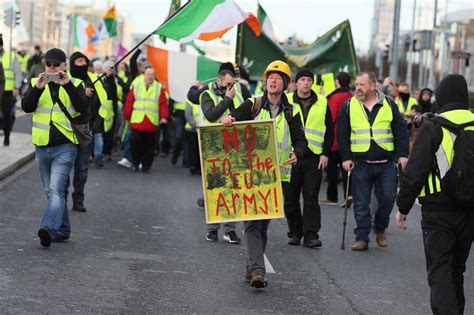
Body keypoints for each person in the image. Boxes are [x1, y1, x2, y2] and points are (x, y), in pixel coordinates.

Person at [221, 60, 307, 288]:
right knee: (251, 224)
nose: (273, 80)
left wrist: (298, 153)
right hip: (251, 175)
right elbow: (235, 117)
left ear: (286, 84)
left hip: (276, 176)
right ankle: (259, 271)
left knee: (263, 226)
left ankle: (251, 269)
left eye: (278, 77)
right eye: (270, 76)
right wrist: (230, 119)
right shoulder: (254, 104)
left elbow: (300, 140)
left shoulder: (292, 111)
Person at [396, 74, 474, 315]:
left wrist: (403, 208)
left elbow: (416, 171)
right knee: (456, 269)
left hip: (438, 210)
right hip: (470, 209)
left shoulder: (434, 126)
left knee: (440, 270)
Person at [21, 48, 88, 247]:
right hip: (41, 145)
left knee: (56, 189)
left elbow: (83, 109)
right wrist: (38, 88)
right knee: (52, 193)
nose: (52, 68)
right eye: (48, 64)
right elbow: (26, 107)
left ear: (64, 66)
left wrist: (67, 85)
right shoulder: (36, 83)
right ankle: (64, 229)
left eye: (56, 64)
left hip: (65, 146)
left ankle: (48, 228)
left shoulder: (76, 83)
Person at [337, 71, 409, 251]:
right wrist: (345, 158)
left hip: (386, 163)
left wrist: (403, 155)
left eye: (362, 84)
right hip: (360, 163)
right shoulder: (349, 106)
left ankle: (380, 228)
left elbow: (400, 131)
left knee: (387, 199)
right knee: (361, 202)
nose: (357, 88)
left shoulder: (388, 104)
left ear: (373, 85)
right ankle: (362, 237)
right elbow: (342, 134)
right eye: (356, 84)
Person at [284, 69, 334, 248]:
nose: (305, 83)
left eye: (308, 80)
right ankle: (295, 232)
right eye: (302, 79)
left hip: (314, 156)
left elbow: (329, 129)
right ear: (295, 83)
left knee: (311, 197)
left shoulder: (322, 101)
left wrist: (325, 153)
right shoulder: (286, 100)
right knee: (290, 197)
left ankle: (311, 235)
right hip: (291, 156)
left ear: (312, 83)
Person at [200, 68, 244, 244]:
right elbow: (211, 116)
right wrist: (227, 100)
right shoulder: (207, 95)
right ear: (219, 82)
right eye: (227, 84)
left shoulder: (237, 96)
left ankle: (230, 230)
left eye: (232, 84)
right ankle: (212, 230)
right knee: (215, 189)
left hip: (234, 147)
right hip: (213, 148)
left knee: (232, 190)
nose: (231, 87)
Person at [67, 52, 112, 212]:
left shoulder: (94, 79)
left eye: (85, 61)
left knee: (82, 169)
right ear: (73, 64)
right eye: (79, 61)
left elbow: (108, 97)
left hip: (85, 129)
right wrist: (81, 93)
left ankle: (78, 200)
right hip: (67, 130)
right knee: (65, 168)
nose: (83, 63)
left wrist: (110, 79)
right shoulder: (66, 79)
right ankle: (60, 199)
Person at [124, 66, 168, 173]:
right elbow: (129, 101)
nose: (150, 77)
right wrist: (127, 116)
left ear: (154, 76)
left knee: (149, 148)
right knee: (135, 146)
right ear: (144, 75)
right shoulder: (137, 85)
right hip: (137, 121)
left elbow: (163, 104)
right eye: (148, 74)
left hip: (151, 122)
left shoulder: (158, 87)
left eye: (152, 75)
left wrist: (164, 117)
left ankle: (146, 167)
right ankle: (135, 164)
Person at [320, 71, 353, 207]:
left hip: (334, 138)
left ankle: (332, 197)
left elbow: (331, 117)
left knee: (332, 170)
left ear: (337, 82)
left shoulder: (335, 97)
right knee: (347, 168)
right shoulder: (352, 96)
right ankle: (348, 194)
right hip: (349, 138)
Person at [0, 34, 22, 146]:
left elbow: (18, 74)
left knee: (7, 115)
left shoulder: (11, 56)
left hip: (7, 92)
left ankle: (6, 137)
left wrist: (16, 87)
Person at [184, 98, 201, 175]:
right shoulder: (190, 101)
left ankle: (199, 167)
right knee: (193, 148)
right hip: (192, 129)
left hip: (202, 129)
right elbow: (188, 115)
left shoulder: (206, 99)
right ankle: (193, 165)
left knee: (200, 149)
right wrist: (195, 126)